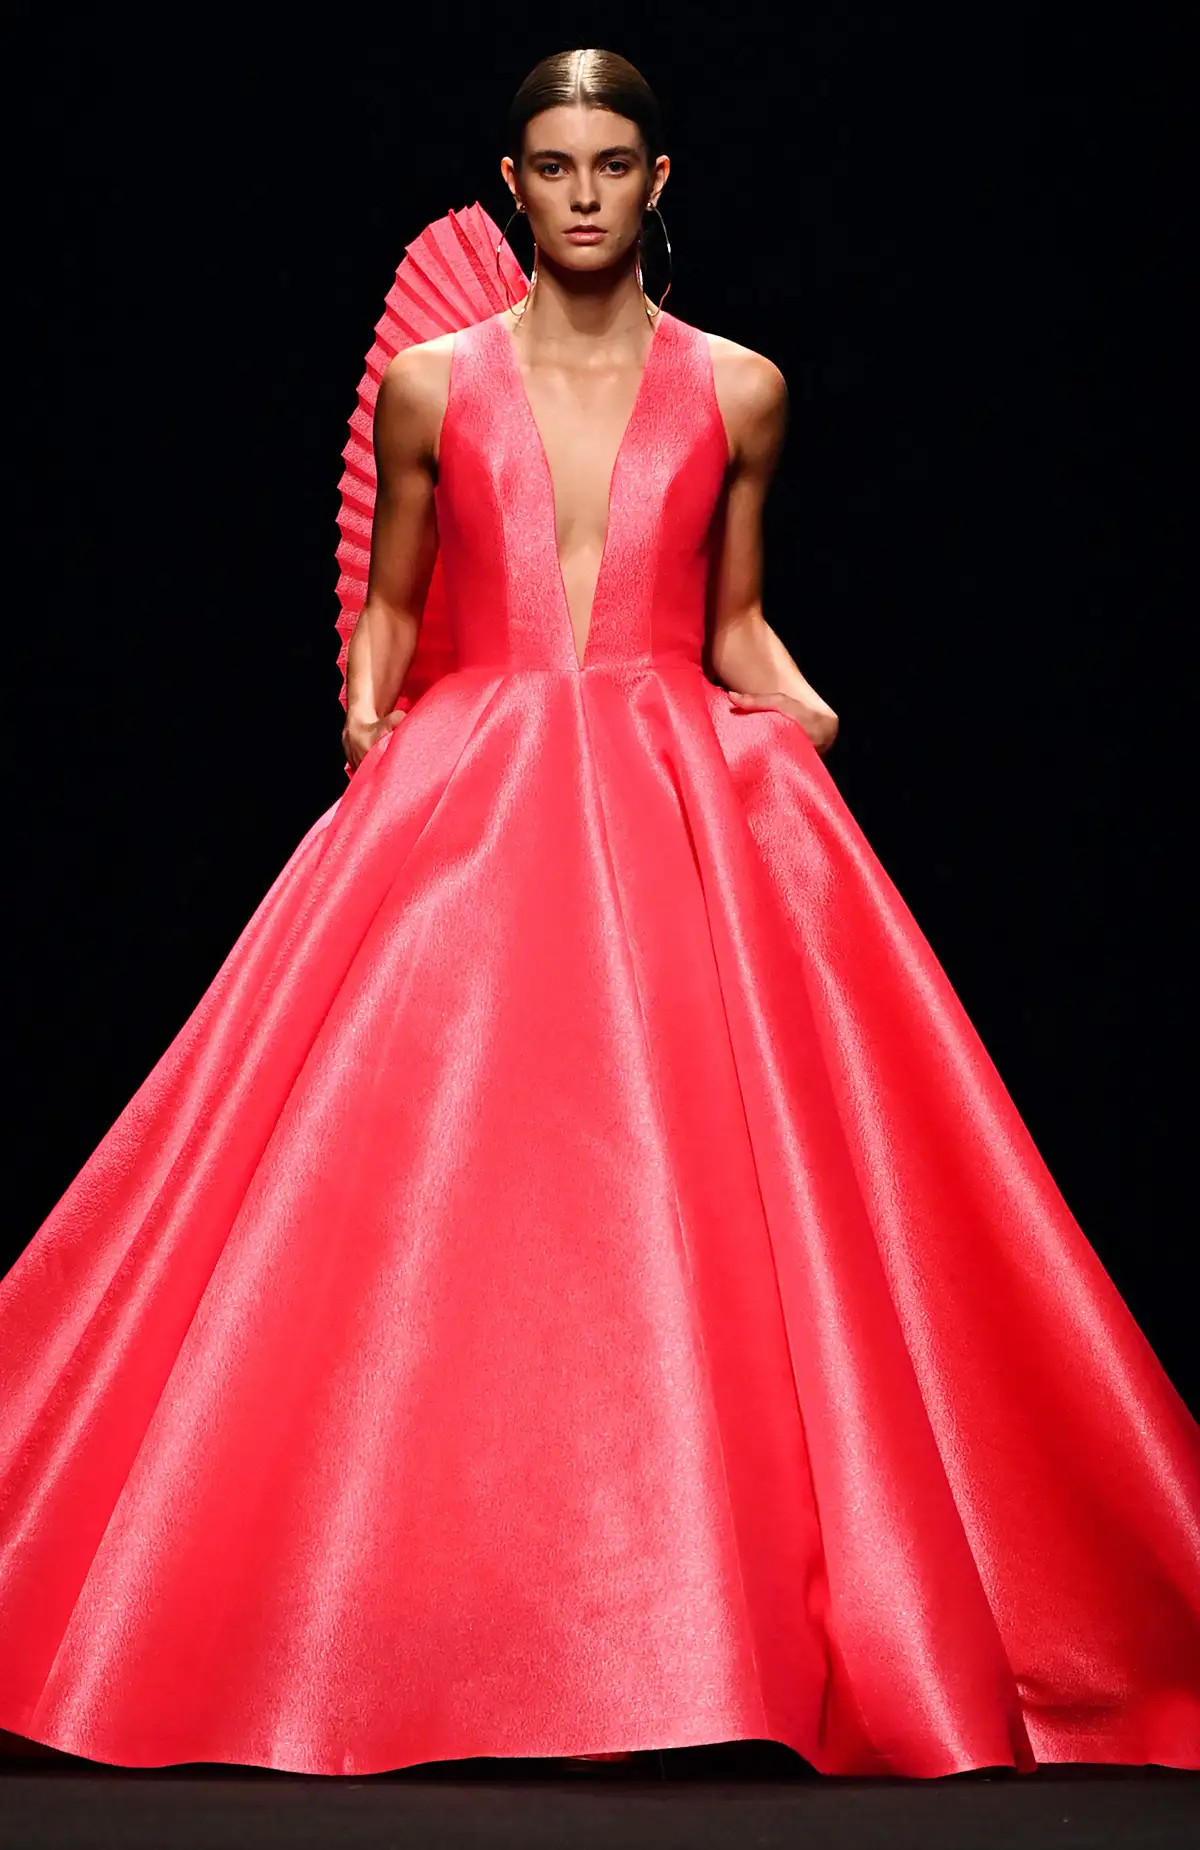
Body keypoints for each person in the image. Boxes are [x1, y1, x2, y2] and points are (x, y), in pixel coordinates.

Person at [1, 48, 1198, 1783]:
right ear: (513, 180)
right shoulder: (432, 386)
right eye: (554, 164)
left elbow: (734, 618)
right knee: (405, 1195)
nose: (582, 192)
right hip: (473, 799)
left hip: (662, 793)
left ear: (659, 181)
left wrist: (801, 712)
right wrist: (369, 723)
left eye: (612, 163)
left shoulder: (742, 388)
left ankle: (709, 1623)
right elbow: (393, 606)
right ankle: (363, 1618)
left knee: (697, 1190)